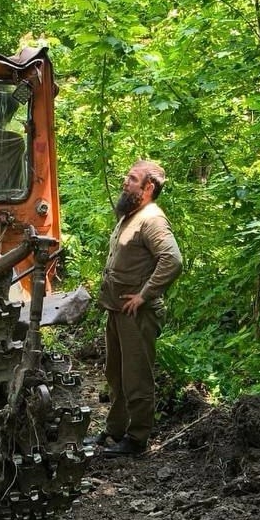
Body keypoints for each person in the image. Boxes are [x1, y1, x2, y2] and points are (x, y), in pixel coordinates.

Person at [89, 160, 183, 457]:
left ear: (148, 187)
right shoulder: (131, 214)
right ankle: (115, 430)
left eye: (132, 179)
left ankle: (137, 438)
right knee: (115, 373)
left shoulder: (152, 219)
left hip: (136, 314)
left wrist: (144, 295)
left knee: (136, 376)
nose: (125, 182)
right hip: (117, 310)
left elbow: (173, 260)